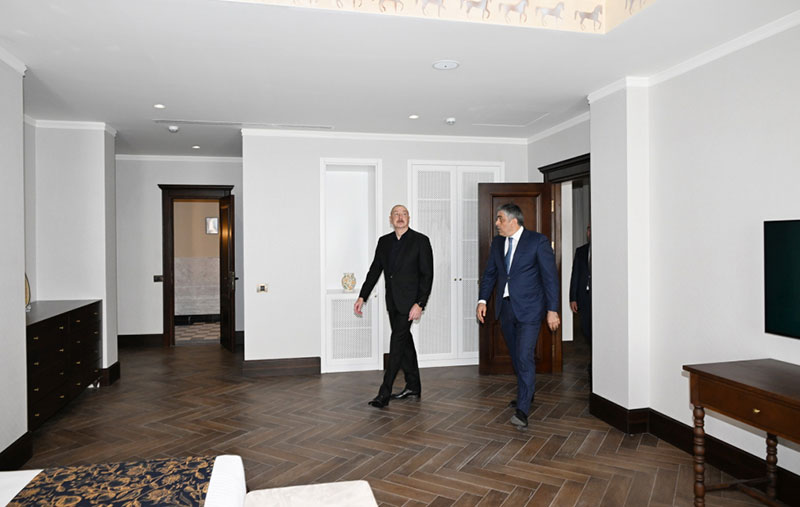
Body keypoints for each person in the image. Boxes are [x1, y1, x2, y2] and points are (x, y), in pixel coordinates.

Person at [476, 203, 560, 428]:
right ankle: (527, 392)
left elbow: (550, 278)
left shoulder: (537, 241)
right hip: (506, 309)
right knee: (516, 355)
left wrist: (552, 310)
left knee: (523, 356)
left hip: (530, 309)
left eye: (500, 219)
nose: (496, 223)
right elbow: (490, 274)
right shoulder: (497, 243)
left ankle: (522, 410)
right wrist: (482, 301)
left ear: (514, 221)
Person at [355, 205, 434, 409]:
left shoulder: (421, 241)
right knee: (405, 342)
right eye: (396, 214)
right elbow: (375, 270)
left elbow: (427, 276)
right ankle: (413, 386)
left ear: (409, 218)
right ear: (391, 219)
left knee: (397, 343)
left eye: (404, 214)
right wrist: (362, 296)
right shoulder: (384, 242)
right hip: (392, 302)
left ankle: (384, 392)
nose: (400, 217)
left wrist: (420, 304)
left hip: (410, 303)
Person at [569, 224, 592, 388]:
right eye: (588, 229)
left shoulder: (606, 250)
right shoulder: (581, 251)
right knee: (586, 329)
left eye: (592, 229)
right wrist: (573, 298)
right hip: (584, 298)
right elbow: (575, 275)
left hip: (601, 299)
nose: (589, 232)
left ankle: (595, 364)